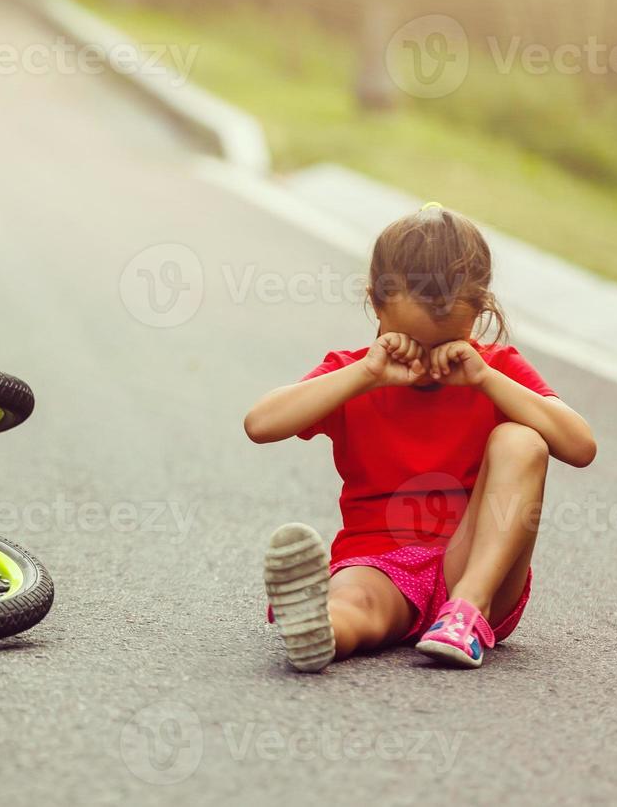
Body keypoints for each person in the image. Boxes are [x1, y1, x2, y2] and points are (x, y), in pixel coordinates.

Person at [243, 203, 597, 671]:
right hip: (378, 561)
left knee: (522, 439)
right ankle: (315, 629)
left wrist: (486, 380)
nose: (429, 361)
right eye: (411, 339)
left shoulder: (495, 370)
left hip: (478, 570)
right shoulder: (355, 373)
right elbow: (261, 424)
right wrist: (366, 374)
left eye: (447, 341)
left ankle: (466, 615)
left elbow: (580, 446)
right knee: (356, 606)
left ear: (479, 314)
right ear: (375, 302)